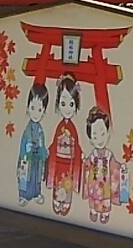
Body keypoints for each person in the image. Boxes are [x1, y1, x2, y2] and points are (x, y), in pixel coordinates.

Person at [44, 73, 83, 217]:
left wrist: (80, 152)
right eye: (63, 103)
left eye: (71, 104)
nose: (67, 108)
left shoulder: (72, 128)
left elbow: (77, 144)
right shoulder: (60, 125)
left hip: (69, 161)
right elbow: (55, 142)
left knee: (67, 181)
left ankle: (66, 202)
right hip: (59, 159)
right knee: (57, 180)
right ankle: (56, 200)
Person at [80, 106, 125, 224]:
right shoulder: (93, 154)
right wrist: (84, 161)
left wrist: (121, 168)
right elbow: (87, 166)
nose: (99, 139)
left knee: (105, 197)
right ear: (90, 139)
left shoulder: (109, 155)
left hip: (105, 183)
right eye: (95, 136)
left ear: (107, 133)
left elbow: (115, 167)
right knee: (93, 196)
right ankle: (93, 210)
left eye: (102, 134)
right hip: (94, 182)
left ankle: (105, 213)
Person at [17, 82, 49, 206]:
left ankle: (36, 193)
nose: (36, 113)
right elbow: (23, 143)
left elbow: (42, 145)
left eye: (40, 109)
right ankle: (23, 195)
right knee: (26, 177)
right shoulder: (27, 129)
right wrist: (27, 148)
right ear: (28, 107)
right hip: (27, 158)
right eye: (33, 108)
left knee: (35, 178)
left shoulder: (40, 130)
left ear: (44, 111)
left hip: (36, 160)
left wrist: (43, 152)